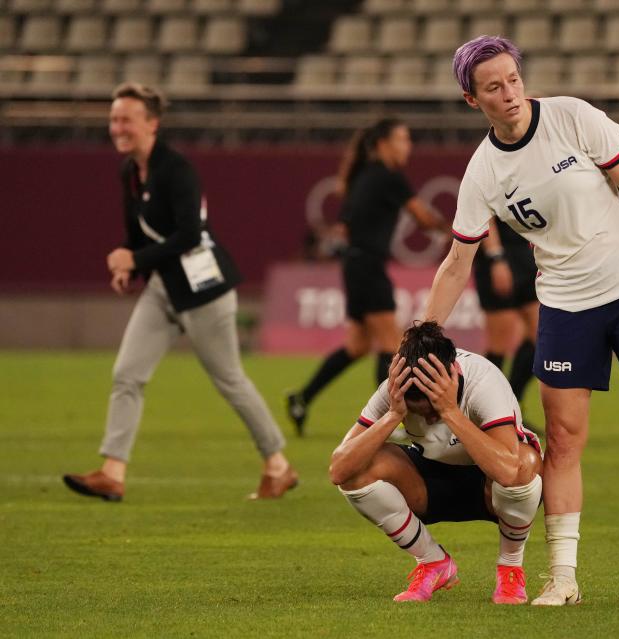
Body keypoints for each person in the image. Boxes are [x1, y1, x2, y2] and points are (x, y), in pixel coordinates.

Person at [421, 36, 619, 608]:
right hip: (566, 307)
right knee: (565, 441)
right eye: (493, 88)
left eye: (514, 80)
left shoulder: (574, 118)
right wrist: (421, 335)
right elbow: (457, 261)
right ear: (472, 100)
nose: (510, 94)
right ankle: (564, 578)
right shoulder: (482, 173)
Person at [63, 82, 297, 502]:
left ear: (152, 124)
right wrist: (130, 267)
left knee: (229, 380)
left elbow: (189, 234)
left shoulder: (177, 170)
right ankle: (112, 472)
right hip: (162, 288)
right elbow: (138, 234)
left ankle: (278, 465)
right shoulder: (129, 172)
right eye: (114, 119)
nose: (117, 127)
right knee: (127, 375)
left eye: (126, 120)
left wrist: (135, 259)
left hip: (204, 290)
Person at [329, 321, 543, 604]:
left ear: (452, 374)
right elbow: (339, 469)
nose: (430, 420)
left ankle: (510, 568)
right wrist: (393, 415)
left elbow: (507, 470)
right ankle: (432, 562)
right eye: (420, 412)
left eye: (432, 409)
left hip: (490, 485)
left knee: (525, 464)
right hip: (430, 483)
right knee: (358, 469)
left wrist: (450, 411)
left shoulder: (484, 382)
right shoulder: (394, 388)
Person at [286, 118, 447, 436]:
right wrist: (458, 230)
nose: (408, 146)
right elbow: (422, 217)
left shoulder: (362, 177)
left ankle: (301, 397)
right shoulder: (389, 177)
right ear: (383, 144)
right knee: (392, 345)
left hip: (355, 266)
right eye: (402, 139)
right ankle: (390, 419)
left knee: (358, 345)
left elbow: (344, 227)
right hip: (369, 267)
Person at [474, 219, 539, 422]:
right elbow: (485, 217)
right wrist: (496, 258)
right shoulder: (487, 185)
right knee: (500, 342)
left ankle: (512, 405)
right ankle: (482, 412)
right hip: (498, 258)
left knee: (540, 335)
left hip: (526, 255)